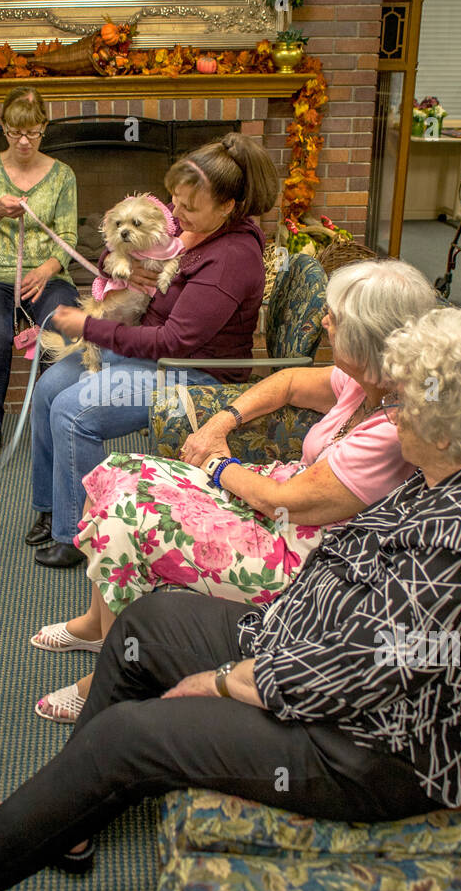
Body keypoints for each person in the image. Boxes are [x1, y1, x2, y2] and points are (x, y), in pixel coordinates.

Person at [0, 308, 461, 891]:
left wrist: (226, 679)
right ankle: (66, 823)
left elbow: (371, 672)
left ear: (453, 428)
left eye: (405, 407)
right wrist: (259, 641)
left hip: (376, 748)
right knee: (149, 620)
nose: (391, 417)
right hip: (309, 650)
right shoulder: (456, 469)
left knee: (133, 736)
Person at [32, 258, 437, 722]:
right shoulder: (367, 381)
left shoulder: (392, 430)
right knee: (113, 472)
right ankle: (97, 629)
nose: (325, 322)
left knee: (125, 514)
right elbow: (286, 383)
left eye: (335, 318)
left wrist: (217, 464)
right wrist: (224, 420)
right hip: (278, 504)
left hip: (306, 556)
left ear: (368, 339)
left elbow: (286, 505)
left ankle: (110, 678)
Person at [26, 133, 276, 568]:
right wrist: (121, 265)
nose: (174, 214)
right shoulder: (196, 223)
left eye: (186, 207)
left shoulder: (232, 258)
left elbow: (174, 342)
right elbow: (114, 247)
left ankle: (80, 533)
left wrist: (93, 328)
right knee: (49, 387)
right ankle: (53, 506)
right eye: (174, 201)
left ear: (228, 206)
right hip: (149, 350)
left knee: (72, 410)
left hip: (192, 371)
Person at [0, 86, 80, 464]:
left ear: (44, 126)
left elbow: (70, 238)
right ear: (3, 127)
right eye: (14, 132)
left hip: (47, 273)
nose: (24, 141)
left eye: (32, 132)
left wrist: (46, 269)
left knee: (61, 325)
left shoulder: (62, 175)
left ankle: (58, 422)